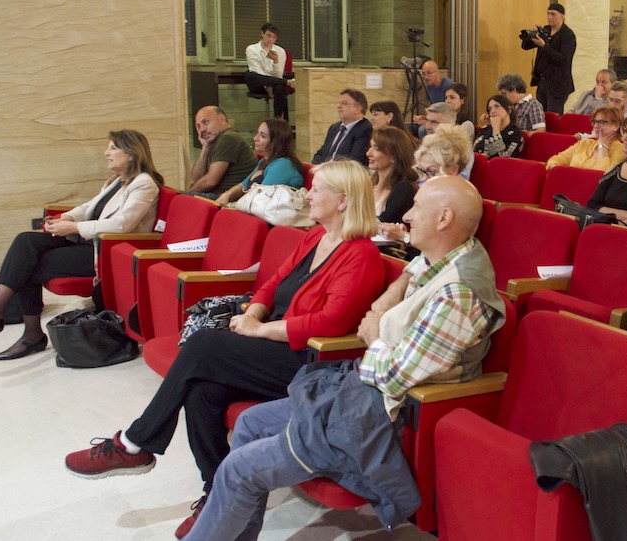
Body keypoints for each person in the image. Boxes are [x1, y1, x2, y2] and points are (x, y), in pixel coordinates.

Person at [63, 160, 386, 538]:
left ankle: (135, 443)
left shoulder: (361, 255)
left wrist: (259, 330)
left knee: (203, 344)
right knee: (201, 390)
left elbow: (327, 324)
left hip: (310, 362)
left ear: (343, 201)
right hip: (275, 344)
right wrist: (253, 313)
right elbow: (273, 282)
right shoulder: (315, 237)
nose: (308, 195)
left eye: (317, 189)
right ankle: (216, 491)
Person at [172, 176, 507, 540]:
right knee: (251, 422)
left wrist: (374, 332)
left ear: (444, 218)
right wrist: (386, 301)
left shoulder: (459, 295)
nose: (406, 215)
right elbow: (413, 272)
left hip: (378, 417)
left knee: (238, 469)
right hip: (358, 389)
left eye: (416, 207)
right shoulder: (449, 254)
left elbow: (393, 378)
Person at [0, 131, 163, 360]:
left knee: (29, 266)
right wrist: (66, 218)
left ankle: (26, 331)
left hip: (107, 252)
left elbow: (122, 224)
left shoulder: (144, 183)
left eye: (113, 148)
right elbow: (88, 207)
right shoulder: (118, 181)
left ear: (132, 153)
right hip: (88, 241)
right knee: (25, 240)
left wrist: (74, 228)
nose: (106, 153)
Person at [214, 119, 303, 207]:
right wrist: (227, 195)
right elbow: (243, 185)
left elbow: (260, 197)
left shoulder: (283, 165)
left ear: (276, 142)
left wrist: (229, 206)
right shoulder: (264, 161)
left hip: (269, 212)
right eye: (257, 133)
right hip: (252, 206)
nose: (255, 138)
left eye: (262, 136)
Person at [187, 106, 259, 199]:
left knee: (179, 198)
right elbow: (194, 179)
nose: (202, 129)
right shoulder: (214, 141)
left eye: (206, 122)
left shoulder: (228, 138)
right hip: (217, 196)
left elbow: (210, 181)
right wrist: (205, 147)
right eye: (198, 126)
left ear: (221, 118)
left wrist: (186, 193)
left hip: (226, 199)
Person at [521, 2, 576, 114]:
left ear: (562, 16)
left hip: (558, 84)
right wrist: (530, 36)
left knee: (553, 115)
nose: (550, 17)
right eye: (548, 13)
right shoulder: (545, 30)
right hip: (542, 81)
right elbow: (525, 47)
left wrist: (544, 46)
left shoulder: (568, 35)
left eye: (553, 14)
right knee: (540, 114)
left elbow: (563, 59)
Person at [368, 128, 420, 245]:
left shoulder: (404, 189)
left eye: (376, 148)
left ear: (394, 156)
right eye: (370, 146)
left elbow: (383, 224)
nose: (368, 153)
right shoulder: (368, 183)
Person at [546, 104, 625, 171]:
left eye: (601, 122)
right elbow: (555, 159)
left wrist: (603, 147)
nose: (596, 126)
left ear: (616, 125)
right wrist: (557, 170)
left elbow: (603, 174)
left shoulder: (621, 150)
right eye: (594, 122)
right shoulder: (584, 143)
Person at [311, 90, 373, 166]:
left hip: (344, 171)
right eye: (339, 103)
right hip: (325, 170)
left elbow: (355, 160)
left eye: (344, 103)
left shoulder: (365, 129)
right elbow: (321, 153)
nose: (339, 106)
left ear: (357, 108)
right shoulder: (334, 127)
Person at [244, 22, 289, 120]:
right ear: (262, 34)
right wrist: (268, 87)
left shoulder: (280, 51)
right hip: (259, 85)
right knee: (250, 75)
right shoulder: (252, 49)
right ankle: (286, 82)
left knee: (279, 87)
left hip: (275, 84)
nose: (270, 39)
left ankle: (277, 119)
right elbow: (257, 72)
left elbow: (278, 75)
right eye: (268, 35)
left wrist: (276, 61)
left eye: (274, 37)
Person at [474, 95, 523, 159]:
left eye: (497, 106)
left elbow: (502, 158)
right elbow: (474, 150)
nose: (492, 111)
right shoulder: (486, 129)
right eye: (490, 109)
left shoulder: (516, 134)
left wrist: (496, 130)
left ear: (509, 109)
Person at [410, 61, 456, 129]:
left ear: (437, 72)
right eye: (423, 74)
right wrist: (424, 117)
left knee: (422, 130)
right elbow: (432, 108)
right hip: (435, 118)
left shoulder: (448, 86)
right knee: (411, 127)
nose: (426, 77)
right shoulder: (429, 86)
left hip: (445, 121)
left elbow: (450, 112)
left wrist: (428, 122)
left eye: (429, 73)